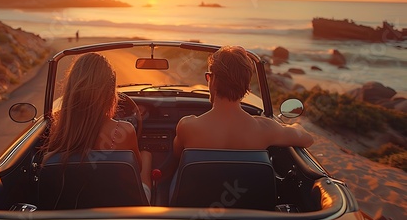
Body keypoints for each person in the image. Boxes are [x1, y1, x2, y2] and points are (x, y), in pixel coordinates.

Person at [42, 52, 152, 201]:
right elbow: (136, 170)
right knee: (146, 157)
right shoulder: (123, 131)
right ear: (109, 92)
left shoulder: (60, 127)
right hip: (122, 211)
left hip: (74, 212)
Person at [173, 46, 313, 158]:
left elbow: (177, 157)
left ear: (212, 80)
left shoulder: (187, 126)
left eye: (208, 77)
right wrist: (295, 125)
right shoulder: (265, 129)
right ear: (246, 86)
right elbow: (307, 139)